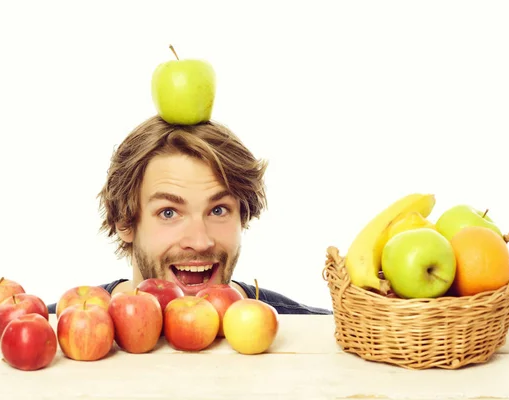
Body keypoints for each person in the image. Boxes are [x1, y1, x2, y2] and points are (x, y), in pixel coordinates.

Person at [46, 115, 331, 315]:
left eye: (218, 210)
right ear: (124, 221)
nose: (200, 241)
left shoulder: (310, 335)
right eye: (169, 212)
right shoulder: (52, 331)